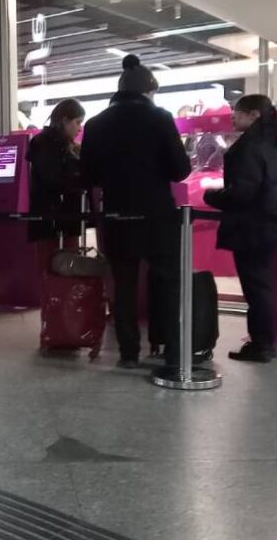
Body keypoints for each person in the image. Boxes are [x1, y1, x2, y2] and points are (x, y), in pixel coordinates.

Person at [80, 54, 191, 369]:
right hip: (157, 216)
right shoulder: (160, 118)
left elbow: (88, 175)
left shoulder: (95, 124)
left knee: (124, 287)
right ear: (148, 91)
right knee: (167, 284)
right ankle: (171, 350)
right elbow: (180, 170)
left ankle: (128, 352)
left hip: (118, 216)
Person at [204, 94, 277, 363]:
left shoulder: (250, 146)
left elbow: (243, 192)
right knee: (261, 285)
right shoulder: (275, 143)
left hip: (251, 227)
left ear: (254, 115)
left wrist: (212, 196)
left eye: (239, 112)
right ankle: (264, 341)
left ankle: (261, 345)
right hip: (271, 223)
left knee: (255, 288)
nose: (233, 116)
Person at [28, 99, 86, 260]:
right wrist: (80, 179)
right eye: (77, 122)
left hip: (62, 219)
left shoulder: (59, 144)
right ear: (65, 120)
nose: (79, 128)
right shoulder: (46, 144)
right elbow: (53, 178)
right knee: (56, 262)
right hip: (53, 220)